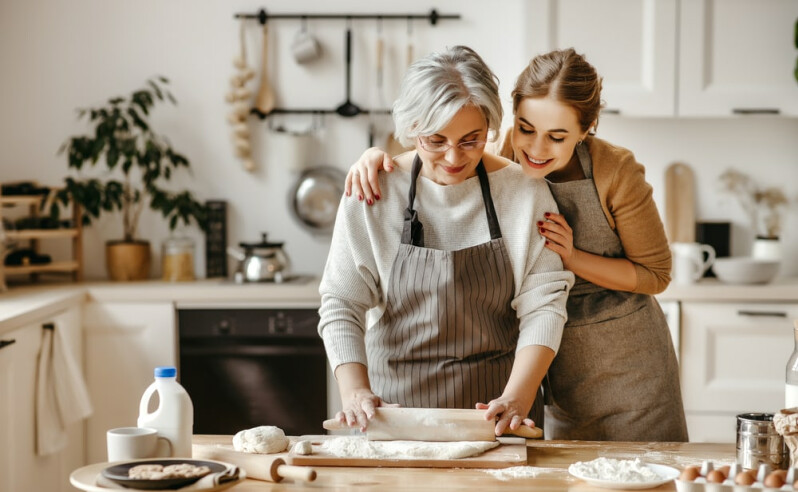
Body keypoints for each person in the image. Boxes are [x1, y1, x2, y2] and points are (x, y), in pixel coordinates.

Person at [343, 48, 688, 442]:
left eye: (557, 137)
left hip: (625, 362)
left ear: (587, 128)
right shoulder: (503, 158)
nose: (536, 149)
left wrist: (571, 257)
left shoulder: (613, 171)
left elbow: (655, 275)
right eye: (526, 128)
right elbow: (443, 148)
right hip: (551, 364)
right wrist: (376, 159)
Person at [318, 45, 573, 436]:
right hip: (393, 418)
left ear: (490, 127)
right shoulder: (373, 191)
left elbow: (545, 305)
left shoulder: (524, 193)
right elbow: (341, 302)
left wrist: (518, 398)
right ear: (411, 129)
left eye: (472, 140)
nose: (454, 157)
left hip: (497, 418)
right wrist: (354, 392)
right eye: (435, 141)